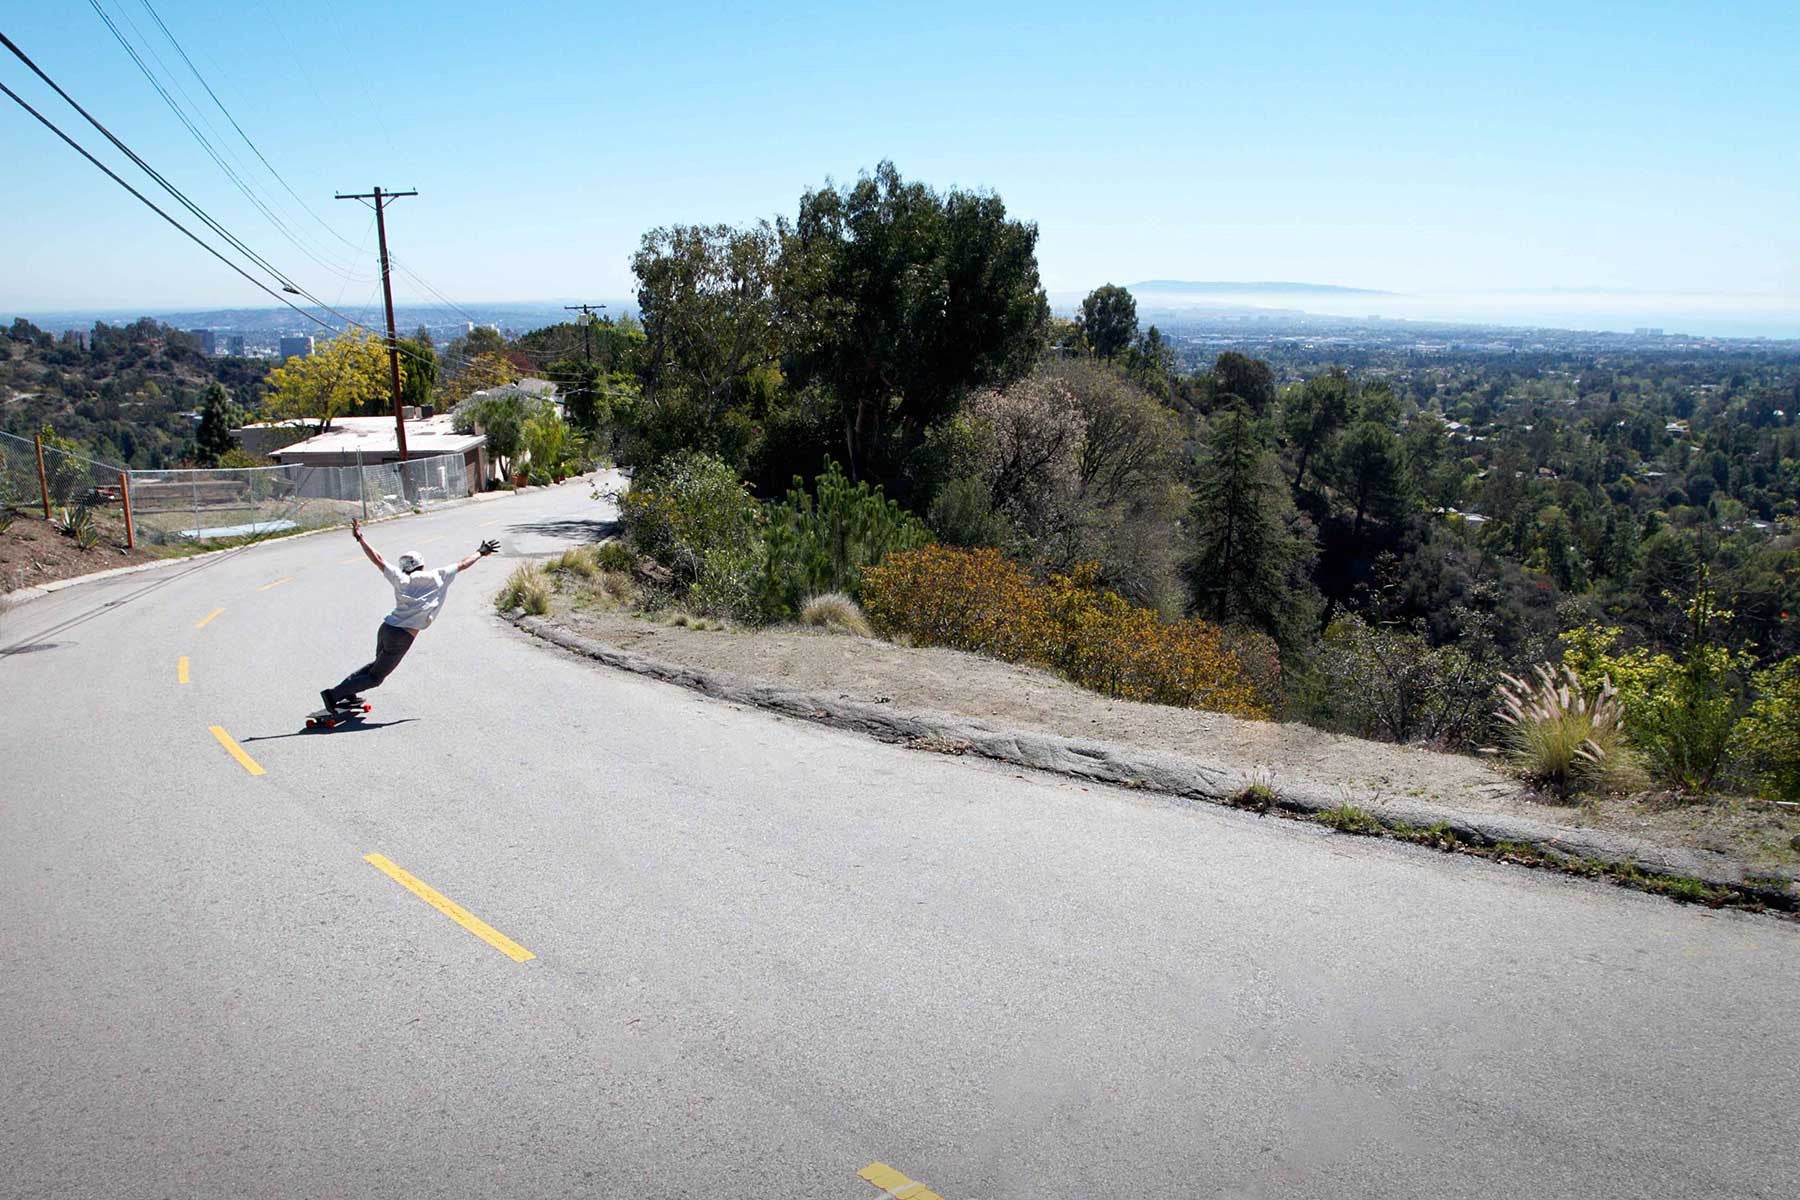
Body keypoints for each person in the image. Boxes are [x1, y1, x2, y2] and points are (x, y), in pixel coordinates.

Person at [321, 518, 500, 712]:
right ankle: (333, 695)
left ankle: (347, 692)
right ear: (422, 564)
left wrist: (361, 539)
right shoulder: (438, 576)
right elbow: (463, 564)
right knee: (376, 677)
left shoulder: (400, 577)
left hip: (386, 628)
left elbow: (378, 559)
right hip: (401, 636)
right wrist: (481, 552)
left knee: (376, 666)